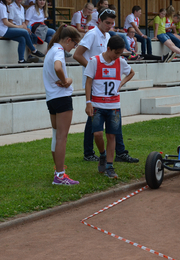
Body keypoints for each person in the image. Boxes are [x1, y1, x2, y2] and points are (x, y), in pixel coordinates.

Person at [73, 7, 139, 164]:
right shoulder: (92, 34)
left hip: (106, 85)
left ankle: (110, 151)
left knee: (108, 119)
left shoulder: (108, 35)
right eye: (107, 23)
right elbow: (77, 54)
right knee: (97, 120)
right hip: (95, 84)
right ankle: (94, 152)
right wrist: (94, 71)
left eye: (112, 23)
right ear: (99, 21)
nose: (109, 26)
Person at [84, 35, 135, 179]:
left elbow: (131, 73)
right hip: (98, 105)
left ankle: (110, 166)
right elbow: (88, 82)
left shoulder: (121, 62)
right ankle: (102, 154)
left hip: (114, 105)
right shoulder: (94, 61)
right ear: (108, 49)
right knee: (98, 134)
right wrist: (88, 102)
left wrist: (121, 83)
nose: (117, 56)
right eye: (116, 53)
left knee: (112, 135)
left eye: (120, 53)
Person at [43, 24, 81, 185]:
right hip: (61, 98)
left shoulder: (51, 50)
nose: (74, 48)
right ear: (68, 40)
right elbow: (58, 67)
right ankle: (59, 175)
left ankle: (58, 170)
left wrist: (67, 80)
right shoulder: (58, 51)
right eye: (74, 44)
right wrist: (67, 80)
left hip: (52, 99)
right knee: (61, 137)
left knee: (56, 134)